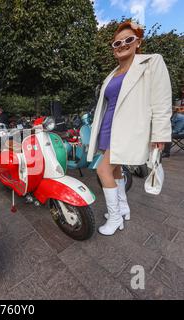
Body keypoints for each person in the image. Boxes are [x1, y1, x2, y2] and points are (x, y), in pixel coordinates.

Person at [87, 21, 172, 236]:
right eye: (117, 42)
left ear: (138, 43)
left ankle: (115, 218)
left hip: (127, 131)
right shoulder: (112, 74)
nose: (122, 44)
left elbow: (161, 101)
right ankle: (123, 208)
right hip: (108, 129)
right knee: (114, 170)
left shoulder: (152, 62)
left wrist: (159, 134)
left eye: (128, 40)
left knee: (102, 170)